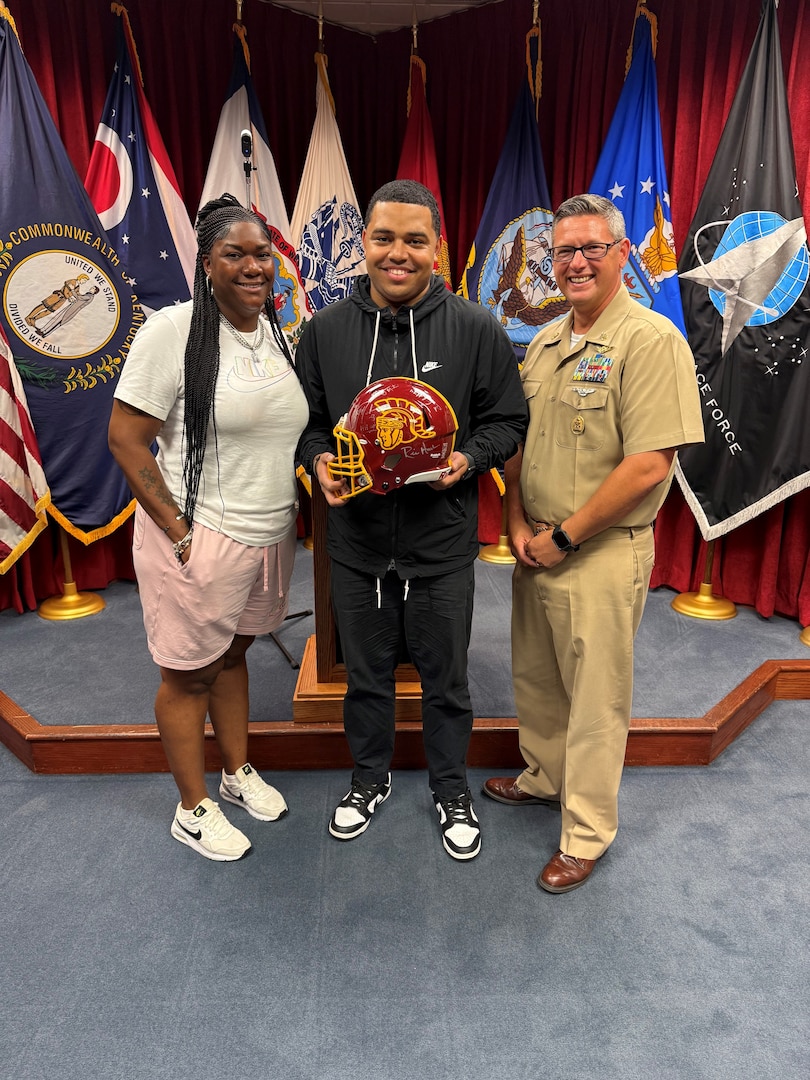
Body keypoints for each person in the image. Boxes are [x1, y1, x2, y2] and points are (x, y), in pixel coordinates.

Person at [296, 179, 527, 861]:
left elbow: (509, 419)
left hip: (441, 538)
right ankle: (369, 779)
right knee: (365, 674)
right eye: (384, 238)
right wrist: (317, 463)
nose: (398, 253)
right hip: (357, 541)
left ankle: (450, 786)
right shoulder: (326, 331)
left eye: (415, 240)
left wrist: (471, 458)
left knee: (445, 678)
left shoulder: (477, 328)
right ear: (364, 243)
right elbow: (305, 423)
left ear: (437, 248)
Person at [484, 194, 704, 892]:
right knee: (539, 680)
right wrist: (517, 523)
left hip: (599, 550)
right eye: (564, 252)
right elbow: (517, 440)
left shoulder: (650, 340)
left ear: (622, 255)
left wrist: (567, 537)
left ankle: (585, 833)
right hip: (535, 542)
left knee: (596, 696)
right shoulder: (547, 340)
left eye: (591, 249)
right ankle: (545, 778)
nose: (575, 262)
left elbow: (648, 464)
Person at [108, 193, 308, 862]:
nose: (254, 267)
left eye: (263, 254)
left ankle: (235, 772)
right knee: (186, 675)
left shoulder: (273, 331)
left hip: (268, 534)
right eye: (235, 254)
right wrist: (180, 531)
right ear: (206, 262)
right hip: (201, 537)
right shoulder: (174, 329)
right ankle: (190, 808)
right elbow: (128, 439)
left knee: (232, 654)